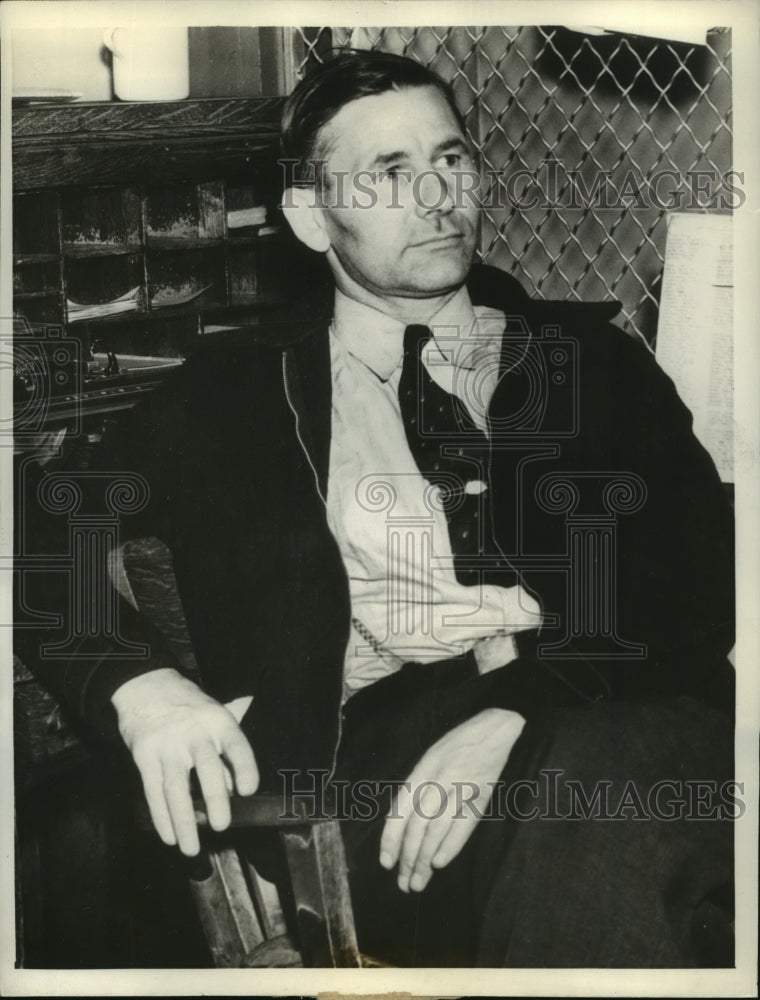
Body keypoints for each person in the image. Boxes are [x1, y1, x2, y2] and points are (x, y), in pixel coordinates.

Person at [24, 51, 735, 967]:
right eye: (389, 174)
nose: (438, 195)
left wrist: (524, 709)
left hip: (614, 706)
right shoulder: (229, 400)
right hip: (379, 777)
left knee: (603, 783)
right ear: (311, 218)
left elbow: (700, 578)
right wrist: (136, 685)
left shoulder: (592, 363)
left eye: (451, 159)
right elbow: (43, 524)